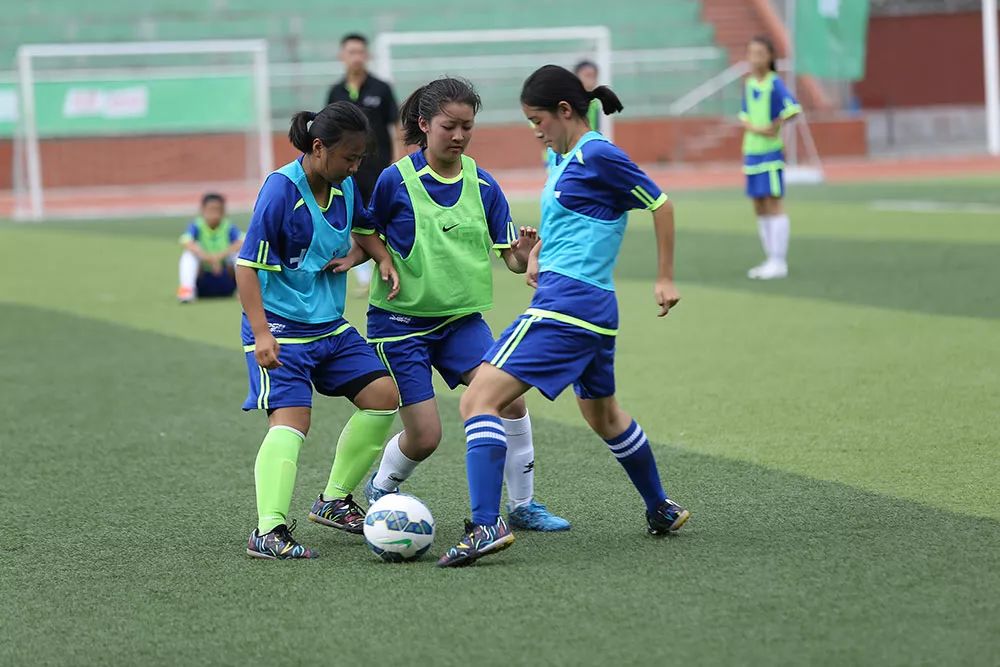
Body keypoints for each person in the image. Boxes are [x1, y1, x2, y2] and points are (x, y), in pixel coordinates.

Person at [437, 65, 690, 568]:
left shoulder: (598, 154)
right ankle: (660, 508)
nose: (535, 129)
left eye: (537, 119)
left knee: (478, 401)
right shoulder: (561, 157)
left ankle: (487, 524)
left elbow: (659, 204)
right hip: (590, 308)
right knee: (604, 415)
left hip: (567, 308)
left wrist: (665, 276)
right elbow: (574, 224)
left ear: (564, 111)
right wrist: (537, 257)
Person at [334, 77, 570, 532]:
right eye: (450, 126)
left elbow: (513, 261)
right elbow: (367, 231)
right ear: (424, 124)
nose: (459, 136)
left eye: (467, 126)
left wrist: (526, 250)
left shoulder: (482, 184)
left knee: (511, 402)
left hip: (461, 322)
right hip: (400, 324)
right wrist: (361, 257)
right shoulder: (394, 181)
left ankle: (523, 505)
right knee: (426, 437)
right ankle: (382, 490)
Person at [236, 102, 402, 560]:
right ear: (317, 147)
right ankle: (268, 530)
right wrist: (261, 334)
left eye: (359, 158)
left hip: (328, 326)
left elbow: (365, 229)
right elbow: (246, 268)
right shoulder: (280, 191)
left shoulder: (344, 187)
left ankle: (333, 499)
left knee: (383, 396)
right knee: (294, 421)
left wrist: (375, 256)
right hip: (282, 330)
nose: (354, 167)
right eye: (348, 157)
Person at [327, 33, 400, 295]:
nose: (356, 57)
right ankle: (363, 277)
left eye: (360, 52)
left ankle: (390, 265)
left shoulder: (381, 88)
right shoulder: (335, 92)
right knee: (349, 219)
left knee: (380, 217)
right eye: (351, 52)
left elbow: (396, 124)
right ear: (342, 56)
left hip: (378, 168)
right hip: (344, 171)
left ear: (367, 55)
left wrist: (398, 159)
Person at [740, 35, 801, 280]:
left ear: (770, 57)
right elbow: (744, 115)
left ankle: (779, 260)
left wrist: (774, 125)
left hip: (770, 152)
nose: (755, 58)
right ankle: (769, 259)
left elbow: (793, 109)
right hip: (751, 152)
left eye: (760, 53)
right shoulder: (749, 83)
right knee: (758, 204)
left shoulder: (774, 83)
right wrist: (755, 128)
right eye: (751, 53)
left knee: (774, 203)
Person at [177, 193, 242, 302]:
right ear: (202, 210)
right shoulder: (196, 226)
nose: (215, 213)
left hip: (225, 279)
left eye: (218, 209)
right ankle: (187, 290)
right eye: (211, 209)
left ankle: (244, 290)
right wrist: (209, 258)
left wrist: (219, 257)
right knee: (188, 254)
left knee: (240, 254)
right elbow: (186, 241)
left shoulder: (228, 227)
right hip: (203, 280)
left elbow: (242, 242)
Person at [573, 60, 603, 133]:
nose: (592, 80)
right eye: (588, 75)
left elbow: (596, 129)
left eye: (594, 76)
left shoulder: (595, 103)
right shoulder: (570, 100)